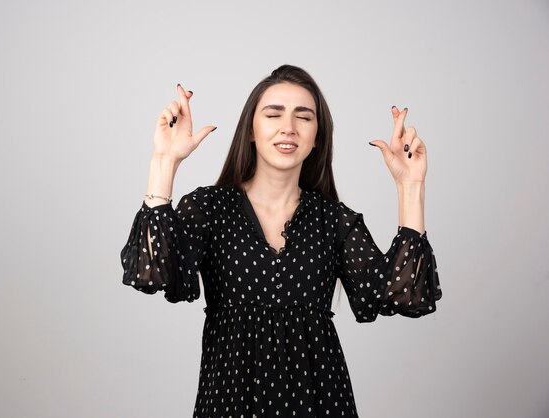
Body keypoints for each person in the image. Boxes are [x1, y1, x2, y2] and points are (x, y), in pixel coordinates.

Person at [120, 64, 442, 417]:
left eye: (303, 117)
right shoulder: (209, 209)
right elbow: (150, 272)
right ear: (252, 130)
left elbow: (403, 294)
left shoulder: (334, 221)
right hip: (228, 405)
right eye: (273, 114)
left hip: (321, 405)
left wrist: (411, 187)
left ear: (317, 136)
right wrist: (164, 161)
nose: (288, 127)